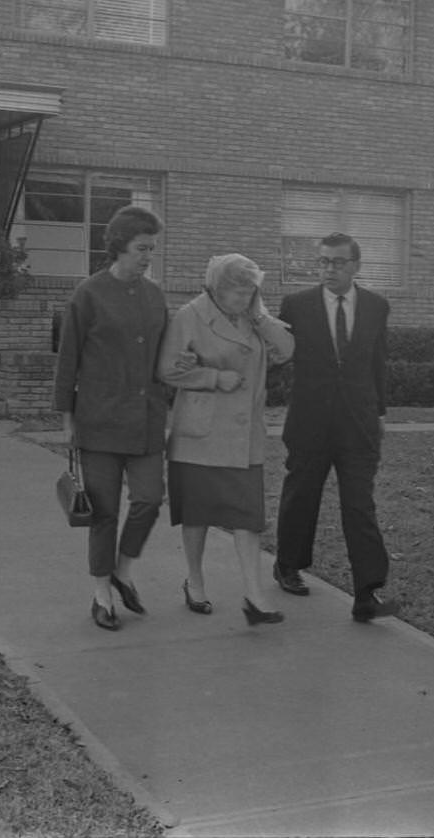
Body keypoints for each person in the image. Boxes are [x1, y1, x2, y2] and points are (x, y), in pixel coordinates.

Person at [158, 254, 295, 625]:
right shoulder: (190, 315)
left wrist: (261, 317)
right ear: (216, 289)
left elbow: (286, 351)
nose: (244, 298)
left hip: (243, 436)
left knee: (248, 516)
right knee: (197, 514)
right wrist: (215, 378)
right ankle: (195, 580)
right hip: (200, 432)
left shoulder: (253, 317)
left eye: (250, 291)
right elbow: (167, 369)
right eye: (238, 292)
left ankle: (254, 596)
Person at [53, 206, 168, 632]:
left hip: (146, 420)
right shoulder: (88, 294)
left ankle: (123, 570)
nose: (148, 257)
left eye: (152, 249)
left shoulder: (155, 295)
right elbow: (68, 360)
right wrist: (67, 419)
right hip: (99, 422)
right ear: (119, 246)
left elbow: (164, 355)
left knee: (150, 499)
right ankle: (102, 594)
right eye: (141, 249)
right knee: (104, 512)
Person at [273, 232, 398, 622]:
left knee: (359, 505)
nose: (329, 269)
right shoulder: (296, 306)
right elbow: (279, 357)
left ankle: (367, 593)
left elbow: (377, 362)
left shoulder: (376, 306)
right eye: (324, 262)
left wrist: (379, 414)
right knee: (301, 496)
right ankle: (288, 565)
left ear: (356, 266)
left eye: (338, 262)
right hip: (310, 422)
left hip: (358, 425)